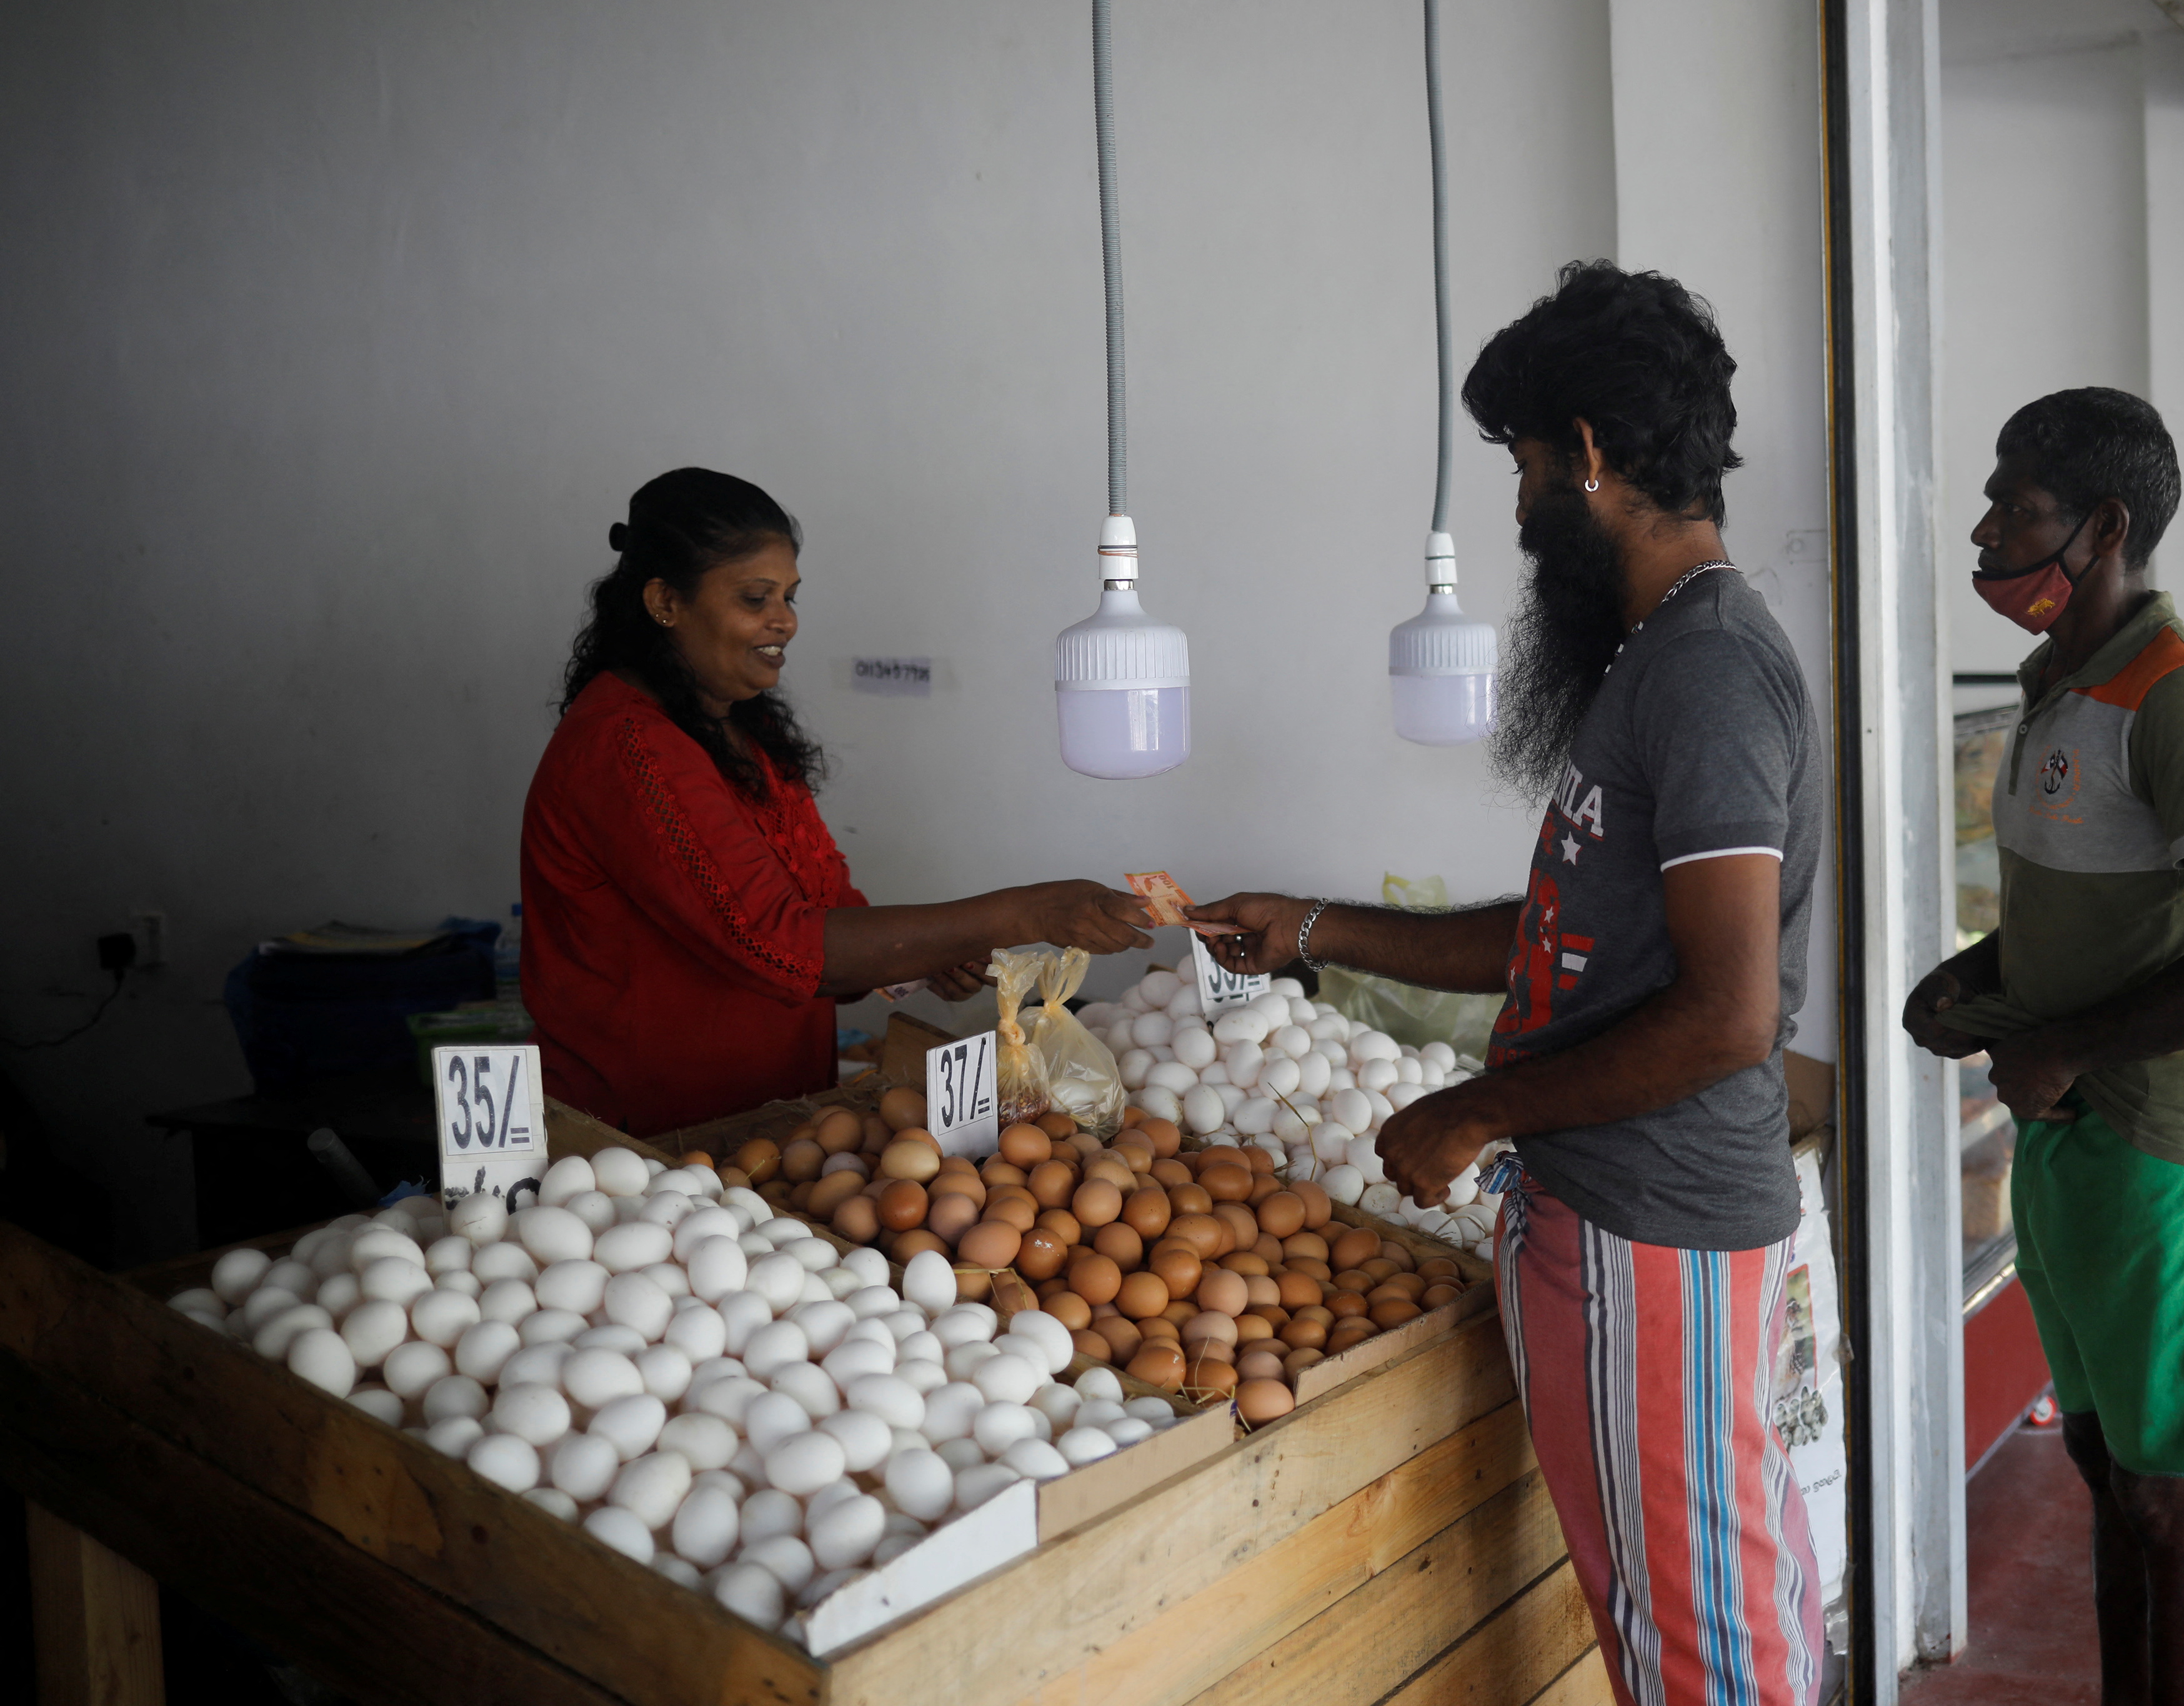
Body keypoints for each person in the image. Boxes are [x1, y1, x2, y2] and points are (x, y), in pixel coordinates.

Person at [1194, 263, 1825, 1706]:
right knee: (1688, 1617)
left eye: (1525, 466)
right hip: (1611, 1212)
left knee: (1706, 1648)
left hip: (1651, 1218)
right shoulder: (1655, 660)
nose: (1520, 505)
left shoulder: (1711, 673)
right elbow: (1554, 931)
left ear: (1590, 454)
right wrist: (1311, 927)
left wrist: (1474, 1106)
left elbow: (1727, 1016)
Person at [1902, 388, 2184, 1706]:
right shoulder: (2055, 692)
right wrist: (1973, 984)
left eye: (2016, 508)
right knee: (2106, 1472)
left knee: (2176, 1500)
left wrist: (2065, 1046)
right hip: (2068, 1143)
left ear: (2106, 526)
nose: (1986, 530)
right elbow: (2086, 919)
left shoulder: (2177, 700)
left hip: (2158, 1154)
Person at [519, 467, 1159, 1131]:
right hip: (640, 1137)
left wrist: (929, 951)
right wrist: (1027, 914)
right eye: (755, 597)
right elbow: (786, 948)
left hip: (762, 1124)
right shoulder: (628, 749)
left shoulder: (732, 724)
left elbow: (828, 911)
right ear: (665, 602)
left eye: (790, 597)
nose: (784, 622)